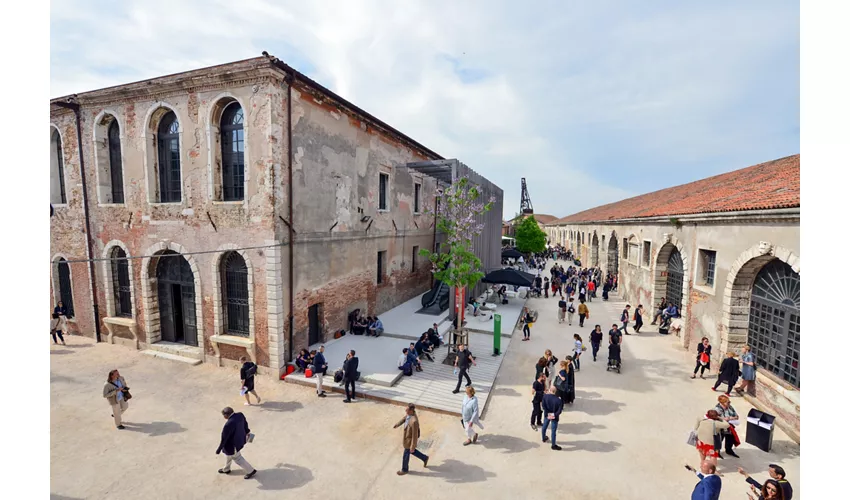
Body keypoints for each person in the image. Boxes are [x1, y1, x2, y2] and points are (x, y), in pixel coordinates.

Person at [216, 406, 257, 479]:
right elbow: (245, 423)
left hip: (232, 445)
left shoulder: (228, 424)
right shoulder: (240, 415)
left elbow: (224, 438)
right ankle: (226, 469)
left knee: (237, 458)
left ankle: (251, 470)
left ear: (226, 415)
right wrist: (247, 431)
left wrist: (219, 449)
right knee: (228, 455)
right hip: (240, 440)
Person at [393, 403, 429, 475]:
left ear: (411, 411)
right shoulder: (409, 414)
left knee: (406, 453)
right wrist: (397, 424)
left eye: (407, 409)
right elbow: (404, 418)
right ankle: (424, 458)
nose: (405, 410)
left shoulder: (414, 421)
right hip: (407, 438)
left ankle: (404, 469)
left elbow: (415, 436)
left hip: (409, 440)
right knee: (411, 451)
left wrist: (413, 446)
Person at [541, 386, 564, 450]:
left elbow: (543, 406)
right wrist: (553, 415)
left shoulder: (545, 396)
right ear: (555, 391)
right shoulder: (559, 400)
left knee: (544, 426)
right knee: (553, 431)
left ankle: (543, 438)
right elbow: (559, 411)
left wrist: (548, 413)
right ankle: (553, 445)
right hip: (554, 417)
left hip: (547, 414)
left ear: (550, 390)